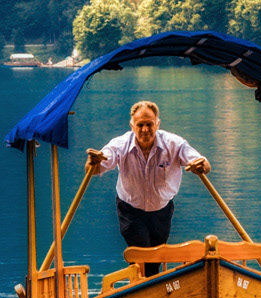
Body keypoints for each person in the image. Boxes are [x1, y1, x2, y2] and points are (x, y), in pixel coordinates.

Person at [86, 101, 209, 274]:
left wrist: (200, 166)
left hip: (162, 211)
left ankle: (140, 286)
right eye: (140, 125)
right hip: (130, 210)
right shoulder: (120, 145)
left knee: (155, 259)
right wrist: (93, 163)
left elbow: (202, 163)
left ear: (157, 124)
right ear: (132, 126)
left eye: (149, 124)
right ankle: (147, 289)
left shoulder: (174, 143)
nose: (145, 130)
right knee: (143, 253)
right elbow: (97, 166)